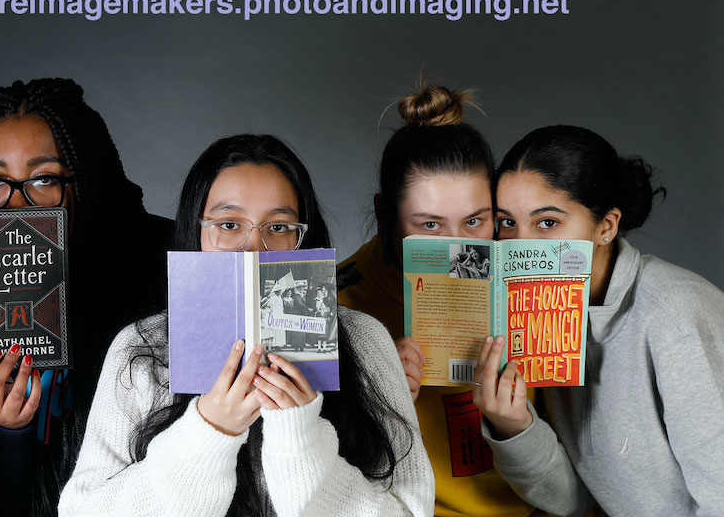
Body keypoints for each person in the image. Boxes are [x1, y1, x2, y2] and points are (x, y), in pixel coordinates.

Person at [59, 133, 434, 516]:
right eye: (228, 224)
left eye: (278, 227)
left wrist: (299, 439)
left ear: (303, 240)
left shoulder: (365, 338)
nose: (253, 249)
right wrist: (208, 432)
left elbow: (412, 508)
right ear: (197, 231)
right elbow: (80, 510)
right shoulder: (141, 348)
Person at [473, 125, 724, 516]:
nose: (520, 248)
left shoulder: (680, 321)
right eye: (507, 223)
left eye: (548, 223)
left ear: (606, 226)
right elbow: (576, 501)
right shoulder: (540, 318)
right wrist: (515, 426)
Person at [0, 78, 174, 516]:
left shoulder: (165, 264)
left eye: (44, 179)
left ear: (87, 179)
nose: (16, 205)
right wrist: (4, 433)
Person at [337, 82, 542, 516]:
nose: (456, 249)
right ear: (385, 216)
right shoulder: (341, 303)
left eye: (474, 221)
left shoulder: (525, 275)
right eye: (430, 226)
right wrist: (375, 396)